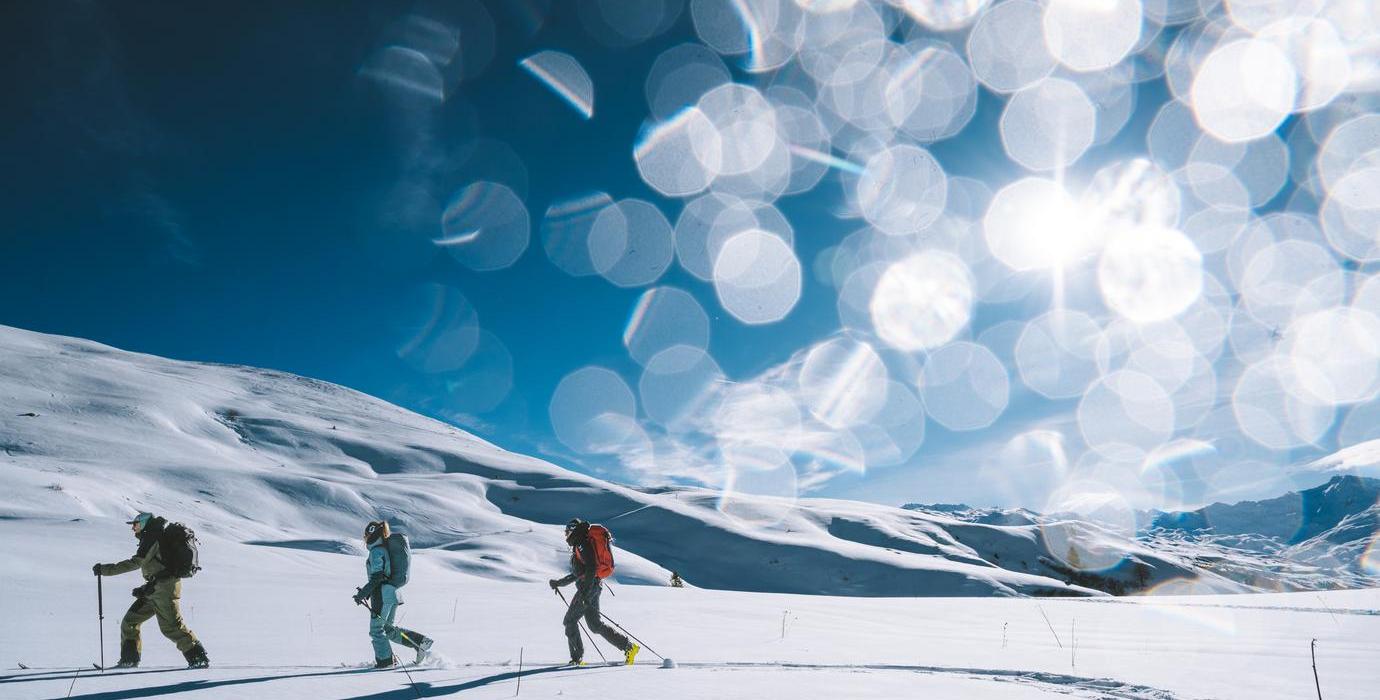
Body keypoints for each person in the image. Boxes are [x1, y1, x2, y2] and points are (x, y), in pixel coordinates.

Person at [92, 512, 209, 669]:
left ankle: (198, 658)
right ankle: (129, 660)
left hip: (164, 589)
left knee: (171, 627)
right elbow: (158, 567)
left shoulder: (152, 537)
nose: (133, 528)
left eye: (135, 524)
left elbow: (136, 562)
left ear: (144, 523)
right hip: (155, 588)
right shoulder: (152, 536)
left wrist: (105, 570)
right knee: (130, 622)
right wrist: (144, 588)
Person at [549, 518, 638, 666]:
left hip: (588, 588)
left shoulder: (582, 544)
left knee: (570, 621)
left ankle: (576, 659)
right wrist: (559, 583)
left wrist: (584, 592)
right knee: (595, 625)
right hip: (594, 586)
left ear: (572, 530)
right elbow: (580, 573)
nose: (565, 535)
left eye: (566, 531)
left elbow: (591, 567)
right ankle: (629, 647)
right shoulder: (580, 544)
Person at [352, 520, 434, 668]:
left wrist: (363, 593)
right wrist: (367, 592)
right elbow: (382, 576)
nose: (364, 538)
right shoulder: (383, 549)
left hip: (383, 596)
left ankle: (386, 662)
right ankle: (420, 642)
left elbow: (378, 576)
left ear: (370, 534)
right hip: (392, 594)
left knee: (377, 630)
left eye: (365, 534)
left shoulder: (376, 551)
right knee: (389, 630)